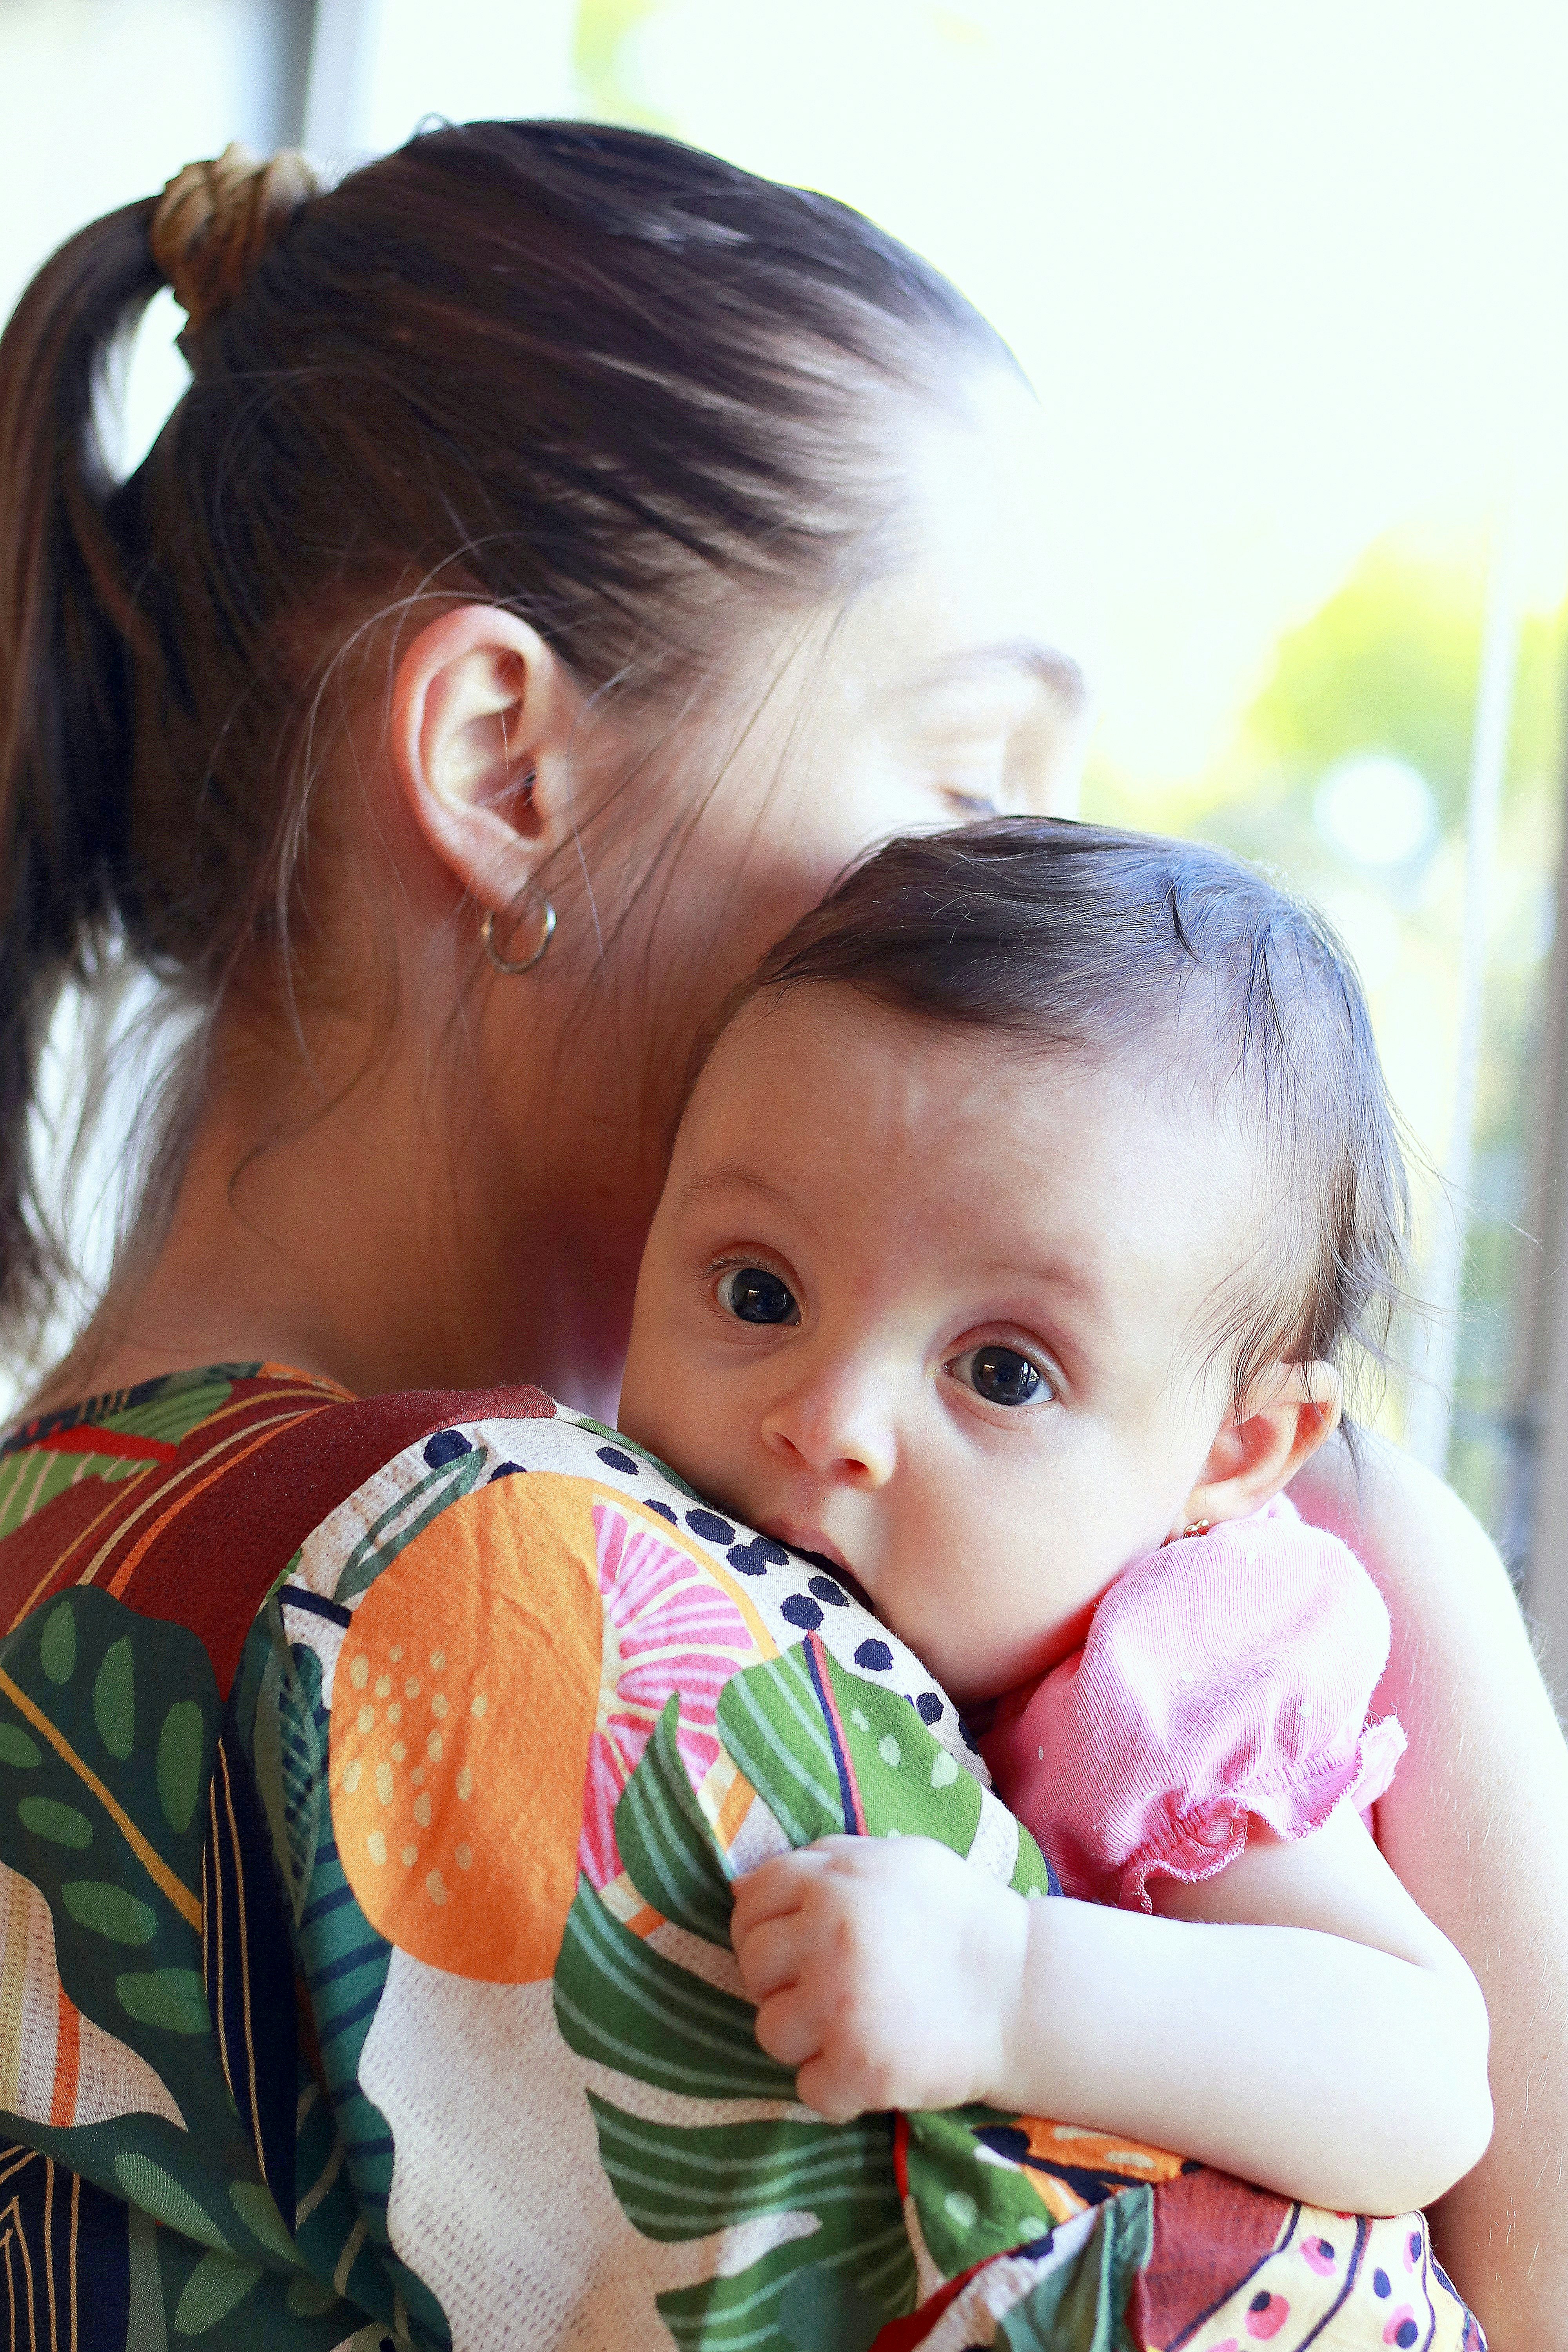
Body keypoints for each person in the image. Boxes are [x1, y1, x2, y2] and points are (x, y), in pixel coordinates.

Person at [0, 119, 1559, 2343]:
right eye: (969, 774)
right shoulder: (493, 1609)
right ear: (503, 768)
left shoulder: (85, 1524)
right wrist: (1443, 1621)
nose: (1016, 905)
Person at [617, 818, 1492, 2216]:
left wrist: (1007, 1985)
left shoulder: (1167, 1681)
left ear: (1238, 1451)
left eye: (1002, 1372)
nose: (830, 1419)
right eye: (758, 1293)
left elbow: (1426, 2078)